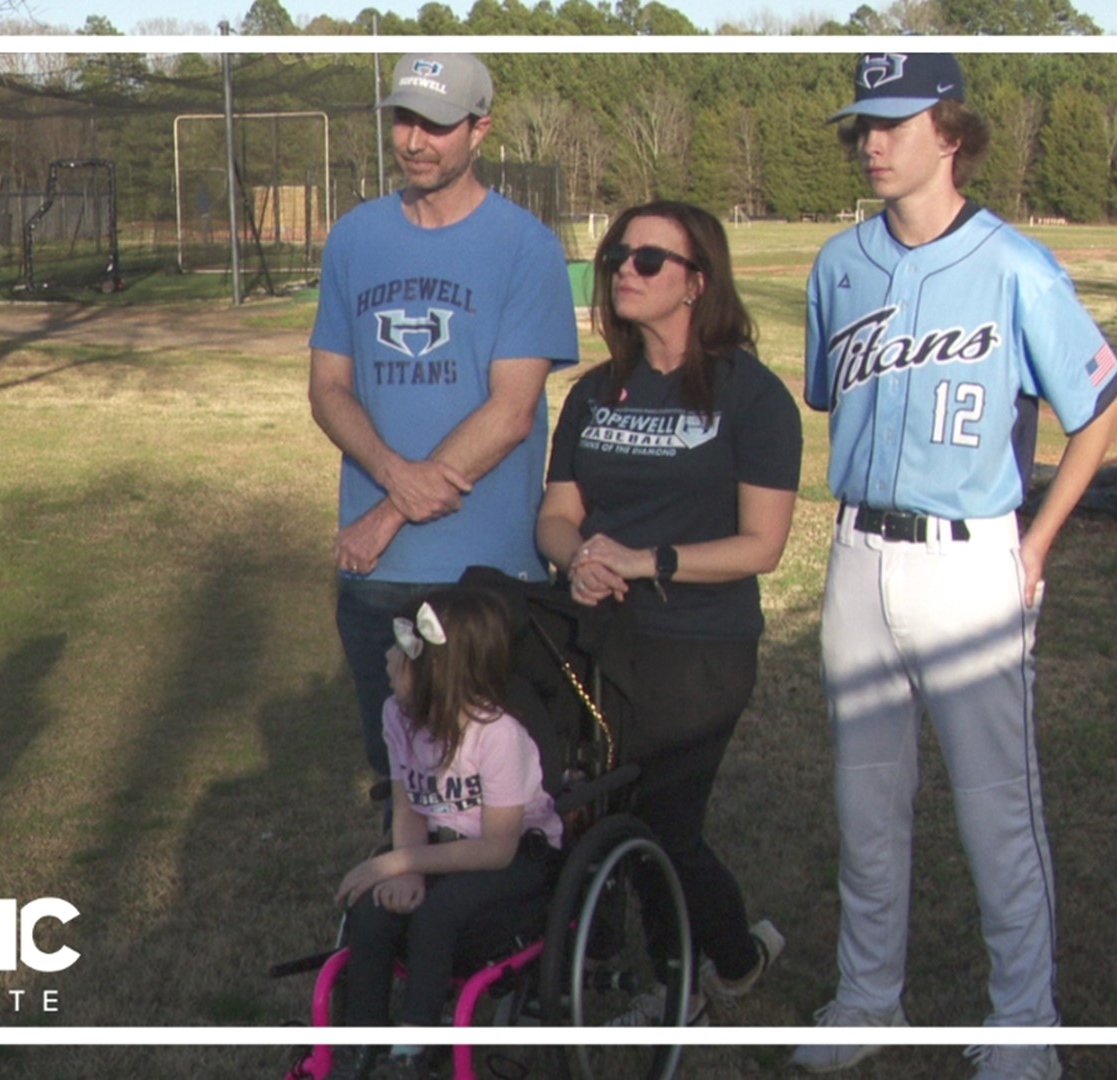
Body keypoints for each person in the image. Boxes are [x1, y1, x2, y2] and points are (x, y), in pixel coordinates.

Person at [790, 53, 1117, 1080]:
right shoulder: (838, 263)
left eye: (894, 123)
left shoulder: (1017, 264)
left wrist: (1035, 541)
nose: (873, 143)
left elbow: (1103, 401)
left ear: (952, 133)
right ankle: (866, 1000)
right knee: (867, 801)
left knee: (996, 808)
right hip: (857, 552)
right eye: (864, 126)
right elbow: (826, 392)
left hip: (970, 555)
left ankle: (1025, 1022)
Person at [535, 200, 802, 1026]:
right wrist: (574, 557)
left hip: (700, 644)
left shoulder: (750, 397)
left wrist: (646, 563)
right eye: (619, 253)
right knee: (592, 809)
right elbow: (554, 511)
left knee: (662, 820)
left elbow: (763, 544)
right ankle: (646, 958)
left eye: (650, 259)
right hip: (598, 638)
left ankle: (701, 973)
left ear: (697, 283)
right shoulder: (592, 394)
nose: (625, 268)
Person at [309, 52, 579, 779]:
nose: (415, 141)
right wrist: (395, 480)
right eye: (404, 120)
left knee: (489, 790)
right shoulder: (356, 238)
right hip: (374, 577)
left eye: (436, 124)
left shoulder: (527, 247)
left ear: (479, 129)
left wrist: (389, 512)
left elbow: (512, 412)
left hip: (483, 576)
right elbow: (328, 388)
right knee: (397, 780)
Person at [328, 587, 563, 1080]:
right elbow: (407, 801)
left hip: (516, 856)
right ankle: (360, 1044)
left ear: (437, 669)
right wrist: (406, 863)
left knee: (438, 913)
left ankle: (414, 1048)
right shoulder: (398, 715)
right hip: (439, 849)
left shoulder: (498, 735)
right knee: (372, 910)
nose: (389, 657)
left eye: (402, 650)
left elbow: (498, 849)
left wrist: (399, 863)